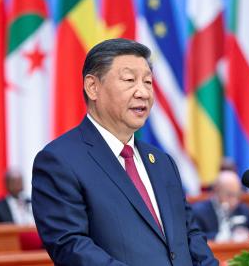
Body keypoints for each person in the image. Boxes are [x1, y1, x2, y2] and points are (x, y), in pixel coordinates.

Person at [32, 38, 218, 265]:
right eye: (129, 80)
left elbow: (190, 234)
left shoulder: (162, 161)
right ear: (93, 87)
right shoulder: (59, 160)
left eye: (148, 82)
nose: (143, 93)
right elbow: (71, 246)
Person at [192, 170, 249, 242]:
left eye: (237, 195)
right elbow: (196, 238)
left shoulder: (243, 209)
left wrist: (247, 234)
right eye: (229, 195)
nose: (234, 201)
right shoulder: (199, 211)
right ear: (216, 190)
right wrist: (218, 237)